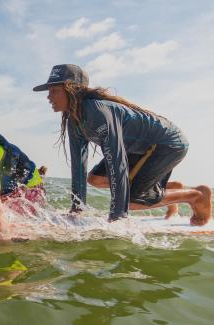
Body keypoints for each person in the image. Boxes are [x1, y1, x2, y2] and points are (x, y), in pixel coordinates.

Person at [33, 64, 211, 225]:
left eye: (54, 90)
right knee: (95, 179)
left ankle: (196, 195)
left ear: (72, 89)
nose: (49, 96)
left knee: (131, 202)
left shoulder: (96, 111)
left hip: (167, 143)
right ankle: (165, 189)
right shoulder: (74, 120)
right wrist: (76, 210)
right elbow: (78, 166)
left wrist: (117, 217)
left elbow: (117, 164)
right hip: (139, 148)